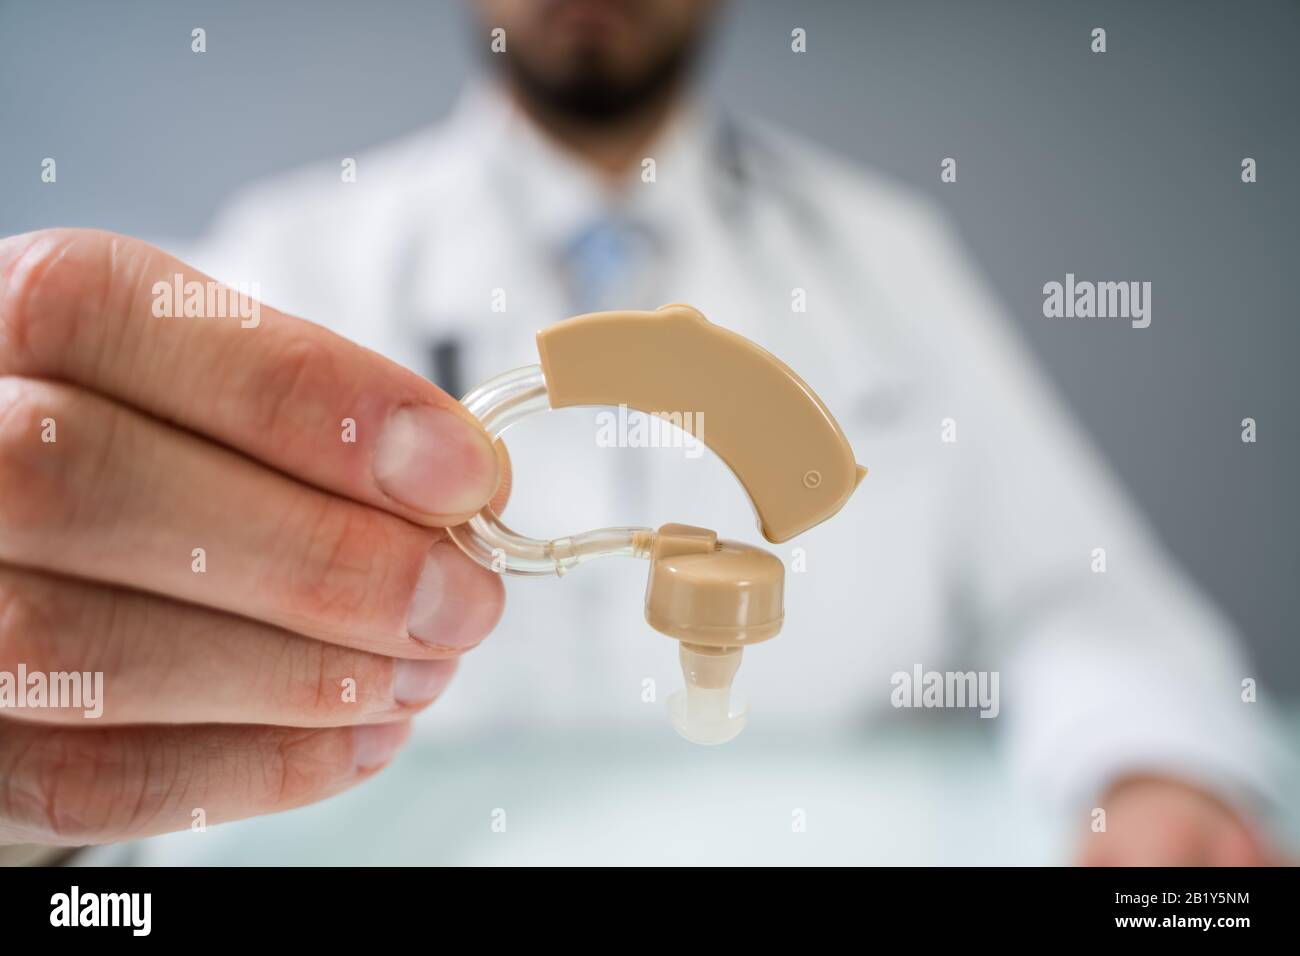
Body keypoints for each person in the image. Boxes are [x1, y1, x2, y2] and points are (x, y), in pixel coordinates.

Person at [0, 0, 1283, 865]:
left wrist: (1162, 770)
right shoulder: (291, 254)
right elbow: (109, 614)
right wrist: (40, 783)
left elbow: (1077, 596)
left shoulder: (888, 257)